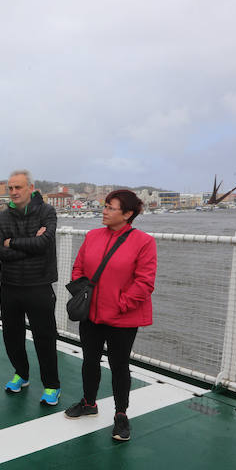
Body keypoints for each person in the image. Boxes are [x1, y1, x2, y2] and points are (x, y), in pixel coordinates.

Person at [63, 189, 157, 442]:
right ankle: (89, 402)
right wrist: (80, 287)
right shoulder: (92, 236)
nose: (104, 211)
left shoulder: (144, 242)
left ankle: (121, 414)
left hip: (122, 318)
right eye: (104, 206)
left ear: (127, 214)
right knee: (89, 360)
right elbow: (79, 266)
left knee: (119, 365)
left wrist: (120, 304)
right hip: (91, 313)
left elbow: (145, 282)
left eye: (110, 207)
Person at [0, 169, 61, 405]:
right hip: (9, 286)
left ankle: (52, 385)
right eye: (10, 188)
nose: (13, 192)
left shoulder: (47, 212)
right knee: (11, 335)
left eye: (18, 187)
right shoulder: (2, 217)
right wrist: (29, 246)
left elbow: (44, 243)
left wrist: (13, 243)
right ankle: (21, 374)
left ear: (31, 188)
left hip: (39, 285)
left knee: (45, 337)